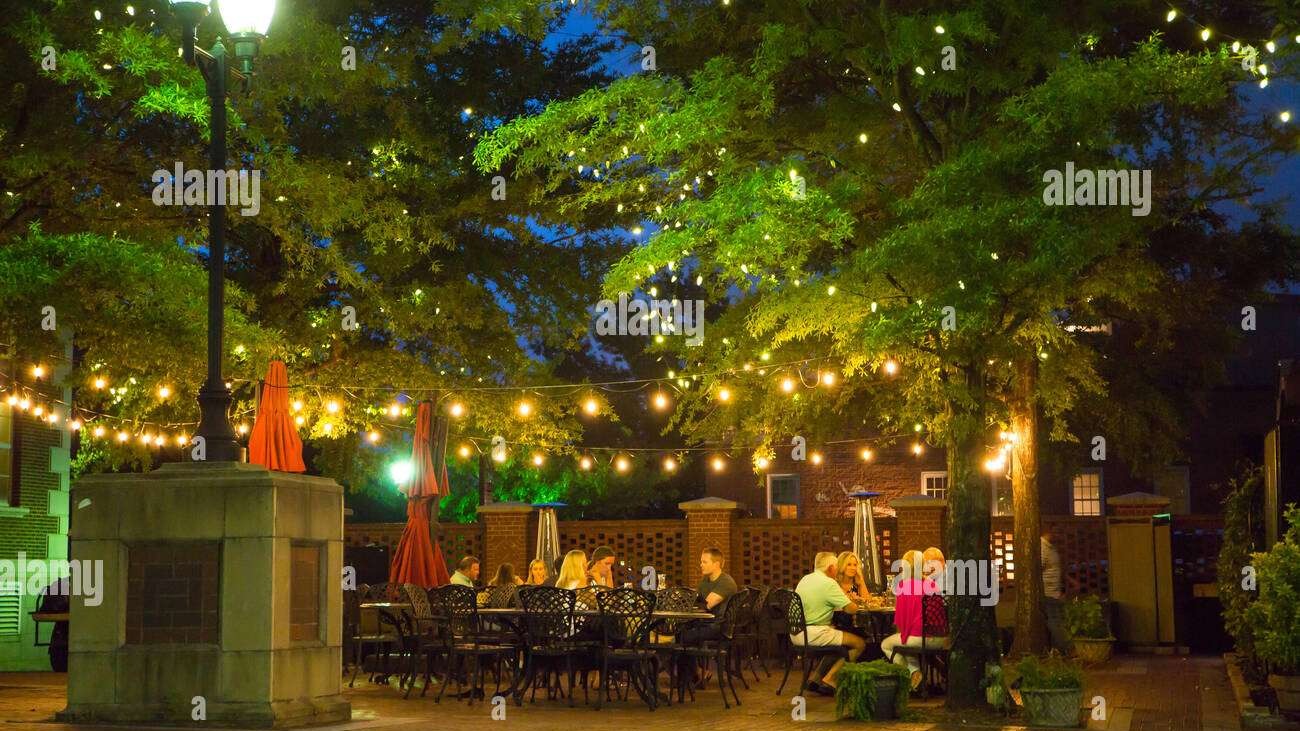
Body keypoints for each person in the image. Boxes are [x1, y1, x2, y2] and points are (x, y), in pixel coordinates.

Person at [792, 551, 866, 695]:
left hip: (797, 632)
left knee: (838, 641)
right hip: (814, 633)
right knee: (859, 644)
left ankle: (816, 679)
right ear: (831, 568)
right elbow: (851, 609)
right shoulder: (829, 583)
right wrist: (855, 602)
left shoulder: (806, 579)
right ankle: (831, 679)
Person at [880, 550, 949, 690]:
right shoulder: (931, 583)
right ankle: (917, 677)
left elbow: (900, 621)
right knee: (907, 642)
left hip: (921, 638)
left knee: (887, 644)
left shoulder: (903, 586)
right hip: (941, 637)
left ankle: (912, 673)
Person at [1041, 528, 1068, 651]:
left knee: (1057, 621)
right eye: (1057, 532)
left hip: (1055, 592)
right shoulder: (1043, 548)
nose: (1058, 536)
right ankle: (1065, 649)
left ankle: (1057, 650)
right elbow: (1038, 571)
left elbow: (1056, 569)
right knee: (1055, 622)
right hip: (1048, 592)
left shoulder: (1051, 548)